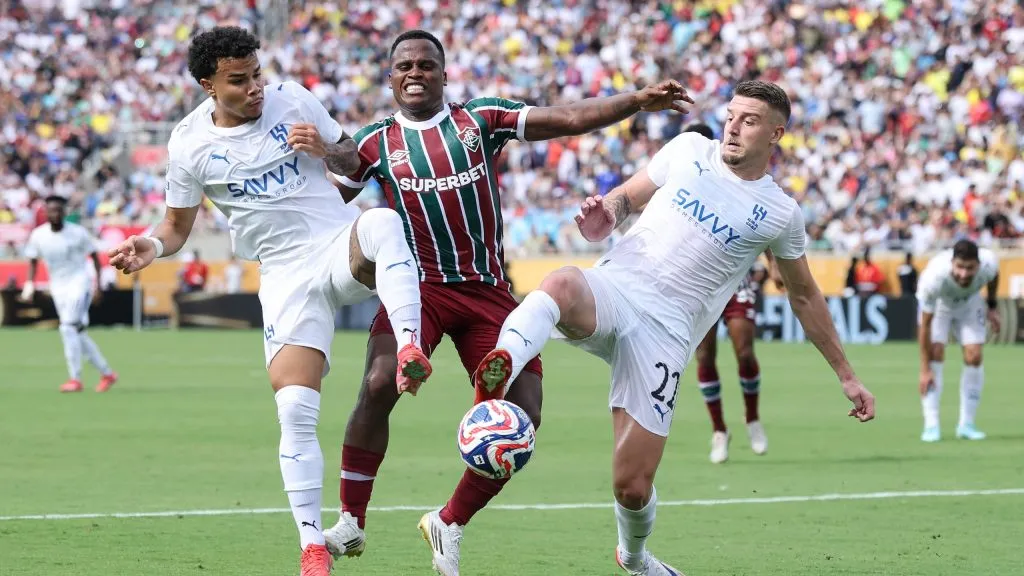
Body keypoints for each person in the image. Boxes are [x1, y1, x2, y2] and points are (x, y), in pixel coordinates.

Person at [325, 29, 692, 575]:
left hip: (487, 291)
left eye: (427, 64)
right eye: (404, 66)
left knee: (524, 414)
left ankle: (448, 522)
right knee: (379, 384)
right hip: (418, 289)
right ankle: (351, 521)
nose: (415, 73)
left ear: (444, 74)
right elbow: (327, 203)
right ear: (390, 76)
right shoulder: (374, 144)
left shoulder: (479, 120)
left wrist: (635, 100)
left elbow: (564, 119)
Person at [471, 81, 875, 575]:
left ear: (776, 134)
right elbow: (624, 198)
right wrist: (606, 216)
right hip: (617, 289)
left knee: (632, 485)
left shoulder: (779, 212)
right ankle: (502, 365)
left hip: (665, 335)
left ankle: (635, 558)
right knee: (559, 284)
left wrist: (846, 374)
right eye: (731, 115)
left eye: (749, 121)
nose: (733, 127)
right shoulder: (687, 148)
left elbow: (805, 294)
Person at [106, 26, 431, 576]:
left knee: (379, 220)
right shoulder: (189, 144)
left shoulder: (293, 98)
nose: (255, 87)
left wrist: (324, 149)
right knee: (295, 412)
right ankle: (311, 544)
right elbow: (178, 225)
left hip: (335, 247)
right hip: (284, 277)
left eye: (256, 73)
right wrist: (152, 245)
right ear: (209, 84)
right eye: (239, 81)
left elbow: (355, 163)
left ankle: (408, 348)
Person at [681, 122, 781, 464]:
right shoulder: (680, 177)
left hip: (735, 281)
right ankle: (719, 430)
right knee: (705, 357)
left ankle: (752, 418)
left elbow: (762, 220)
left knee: (744, 350)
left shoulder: (735, 177)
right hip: (698, 286)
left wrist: (774, 264)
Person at [21, 195, 118, 393]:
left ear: (65, 212)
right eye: (51, 210)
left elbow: (95, 258)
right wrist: (30, 283)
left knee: (67, 328)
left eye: (59, 210)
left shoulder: (78, 233)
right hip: (58, 287)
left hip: (79, 283)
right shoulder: (38, 235)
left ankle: (75, 379)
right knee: (77, 332)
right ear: (45, 213)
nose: (55, 214)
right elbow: (32, 259)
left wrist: (97, 286)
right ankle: (107, 373)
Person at [916, 239, 1000, 443]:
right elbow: (924, 325)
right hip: (940, 306)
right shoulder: (933, 277)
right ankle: (931, 424)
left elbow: (994, 277)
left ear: (978, 265)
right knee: (936, 351)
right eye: (959, 267)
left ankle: (967, 424)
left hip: (970, 304)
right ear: (952, 263)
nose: (964, 274)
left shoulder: (989, 263)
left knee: (974, 356)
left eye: (970, 268)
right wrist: (925, 369)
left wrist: (992, 306)